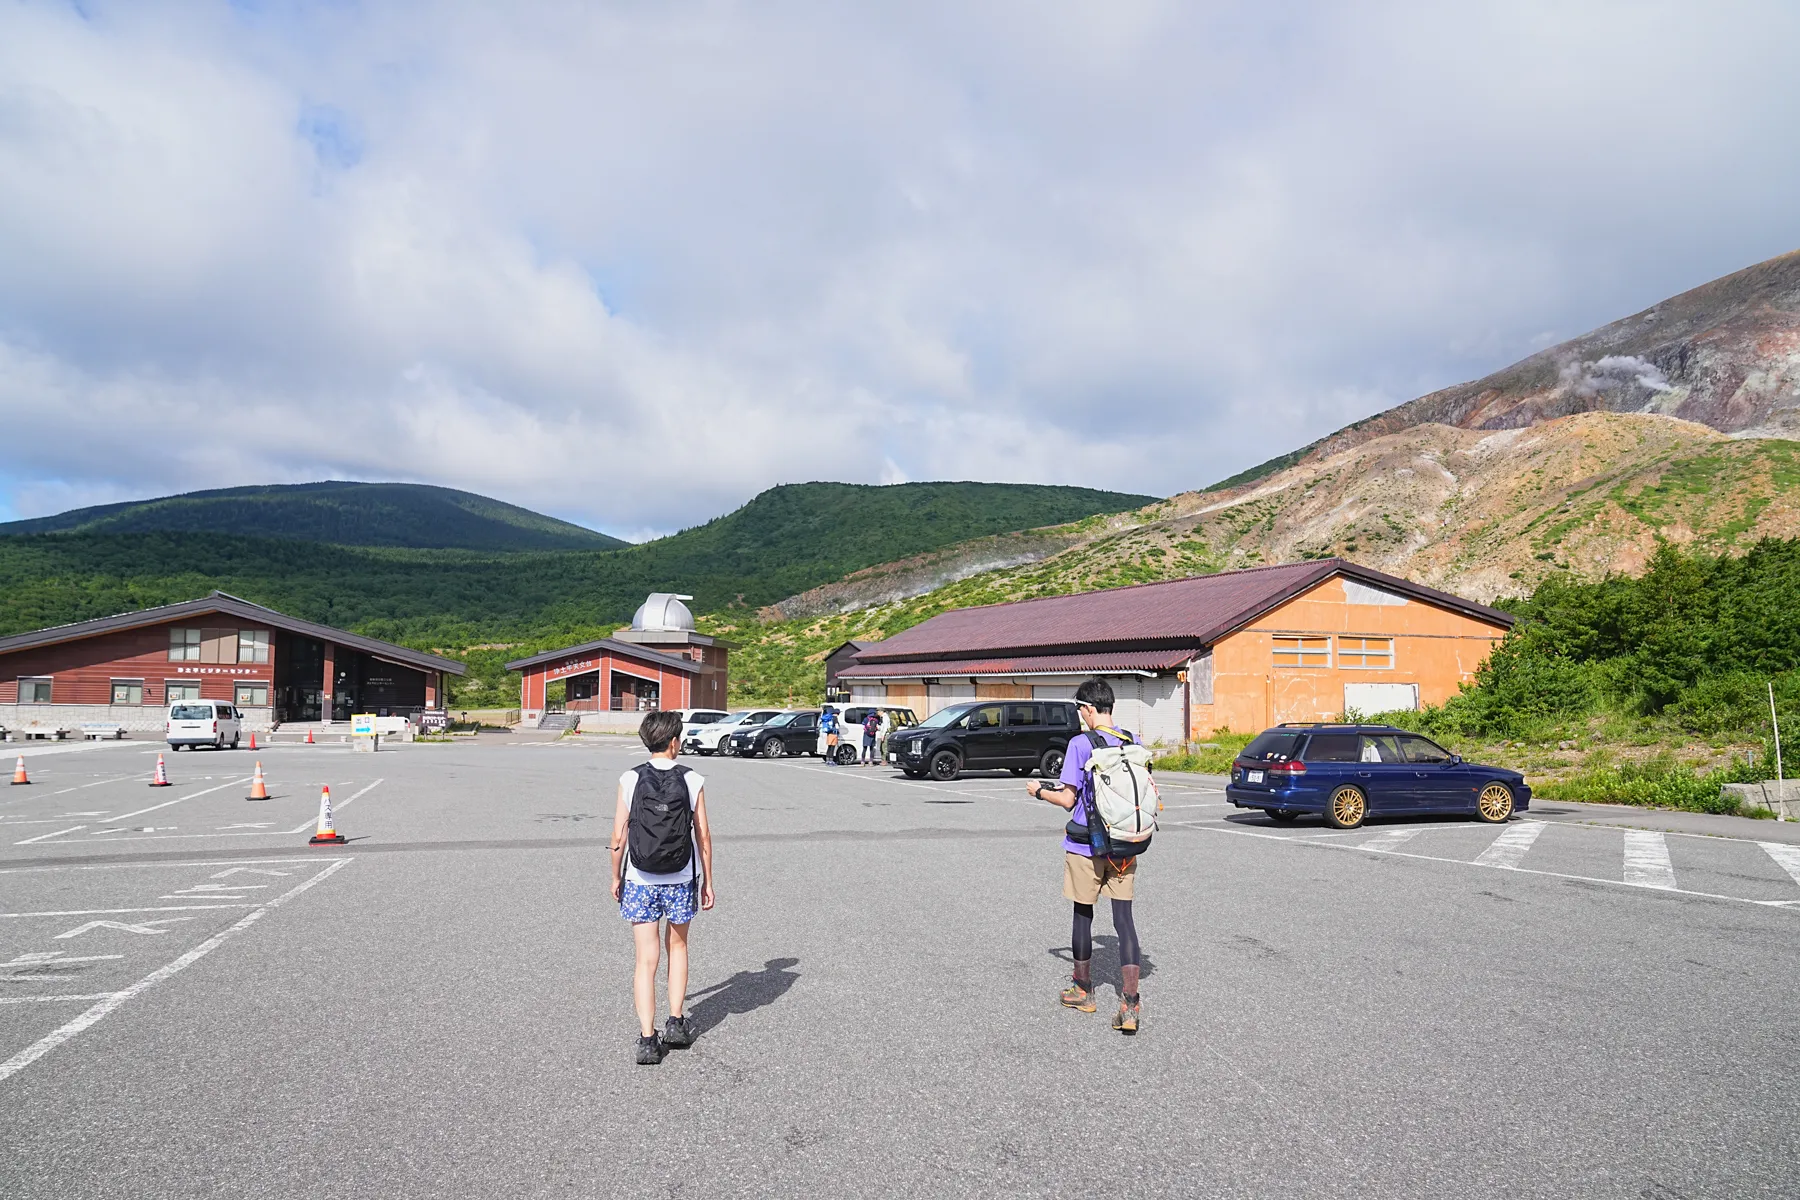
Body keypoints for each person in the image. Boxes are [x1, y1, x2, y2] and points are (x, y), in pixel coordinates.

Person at [1024, 679, 1146, 1034]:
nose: (1079, 716)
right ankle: (1130, 1005)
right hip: (1124, 843)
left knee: (1083, 912)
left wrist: (1038, 791)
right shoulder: (1131, 740)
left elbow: (1067, 799)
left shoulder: (1080, 744)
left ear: (1090, 708)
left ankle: (1083, 990)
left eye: (1080, 709)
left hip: (1086, 844)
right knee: (1124, 921)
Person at [611, 709, 716, 1065]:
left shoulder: (629, 778)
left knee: (645, 960)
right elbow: (703, 835)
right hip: (681, 877)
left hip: (640, 878)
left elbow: (618, 835)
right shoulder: (692, 778)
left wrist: (615, 876)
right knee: (679, 947)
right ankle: (675, 1022)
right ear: (674, 742)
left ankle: (647, 1039)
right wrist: (709, 881)